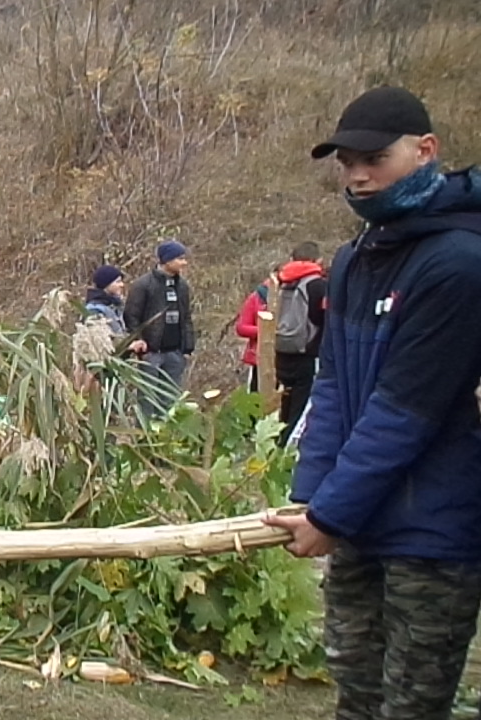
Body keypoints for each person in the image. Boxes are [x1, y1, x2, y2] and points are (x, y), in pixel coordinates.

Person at [264, 86, 481, 720]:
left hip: (431, 526)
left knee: (411, 701)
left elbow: (404, 412)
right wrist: (312, 495)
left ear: (425, 151)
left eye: (375, 159)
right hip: (361, 518)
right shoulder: (355, 259)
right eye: (348, 163)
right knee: (355, 687)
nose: (358, 176)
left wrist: (331, 514)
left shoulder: (459, 264)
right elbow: (332, 383)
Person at [123, 239, 195, 415]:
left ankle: (167, 430)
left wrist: (187, 347)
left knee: (171, 400)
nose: (184, 263)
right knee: (147, 399)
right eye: (180, 258)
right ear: (167, 260)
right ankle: (145, 430)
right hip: (151, 352)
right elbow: (131, 316)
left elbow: (186, 317)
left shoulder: (182, 286)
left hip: (175, 352)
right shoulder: (143, 285)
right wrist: (140, 342)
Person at [272, 241, 326, 443]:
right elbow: (322, 319)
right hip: (306, 353)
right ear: (317, 260)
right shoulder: (317, 285)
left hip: (281, 348)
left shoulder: (282, 282)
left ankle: (275, 444)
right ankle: (289, 448)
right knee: (301, 408)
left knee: (283, 404)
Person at [84, 265, 147, 354]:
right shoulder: (94, 310)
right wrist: (127, 347)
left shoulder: (116, 305)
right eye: (118, 282)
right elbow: (98, 343)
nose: (122, 285)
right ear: (106, 284)